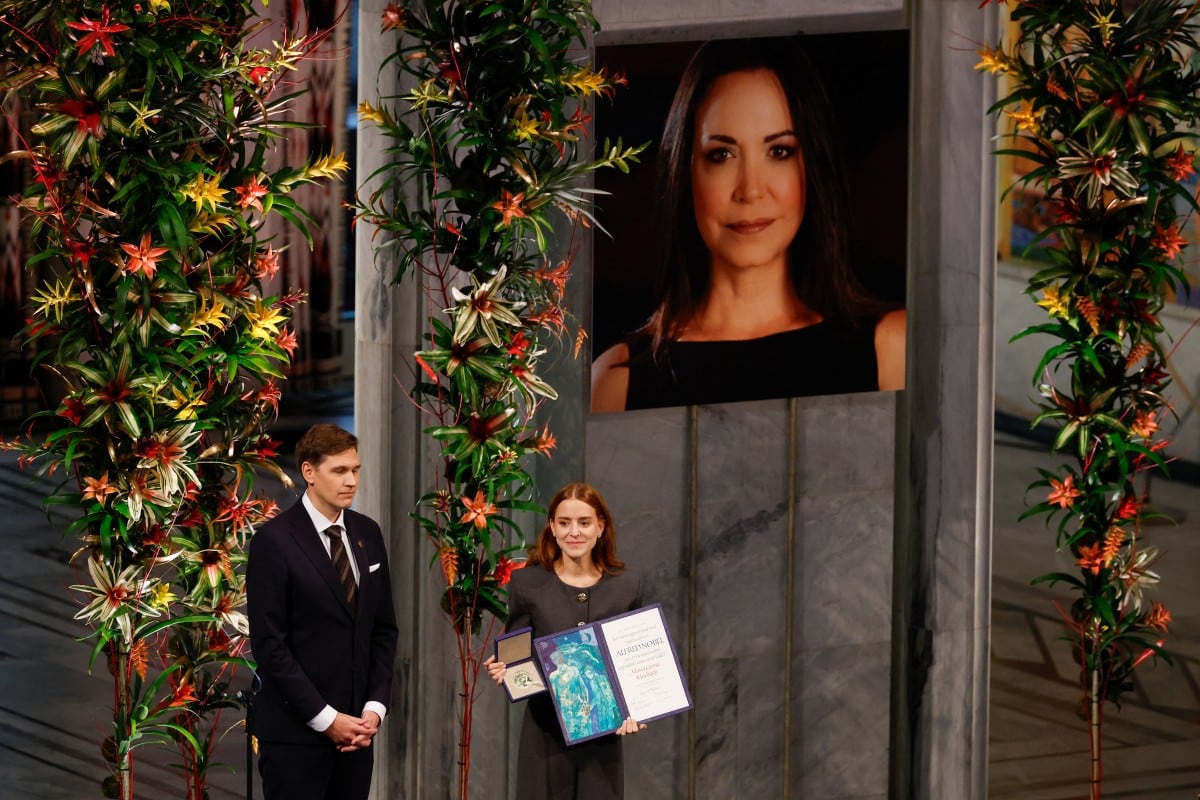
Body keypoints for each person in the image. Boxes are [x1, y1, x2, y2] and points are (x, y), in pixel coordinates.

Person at [591, 37, 907, 412]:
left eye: (779, 151)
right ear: (686, 174)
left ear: (811, 166)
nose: (751, 190)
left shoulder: (891, 349)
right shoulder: (616, 382)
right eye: (721, 154)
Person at [247, 424, 398, 800]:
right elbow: (270, 646)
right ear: (309, 472)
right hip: (295, 738)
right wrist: (328, 720)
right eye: (340, 471)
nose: (351, 481)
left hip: (358, 736)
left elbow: (383, 629)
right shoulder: (274, 542)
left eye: (356, 470)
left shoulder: (368, 533)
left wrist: (374, 709)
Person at [485, 482, 645, 799]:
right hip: (544, 733)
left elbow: (637, 661)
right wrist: (508, 671)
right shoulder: (527, 583)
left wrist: (638, 709)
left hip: (603, 738)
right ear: (552, 529)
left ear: (601, 526)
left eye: (584, 523)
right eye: (564, 523)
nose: (574, 532)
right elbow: (517, 656)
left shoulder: (627, 586)